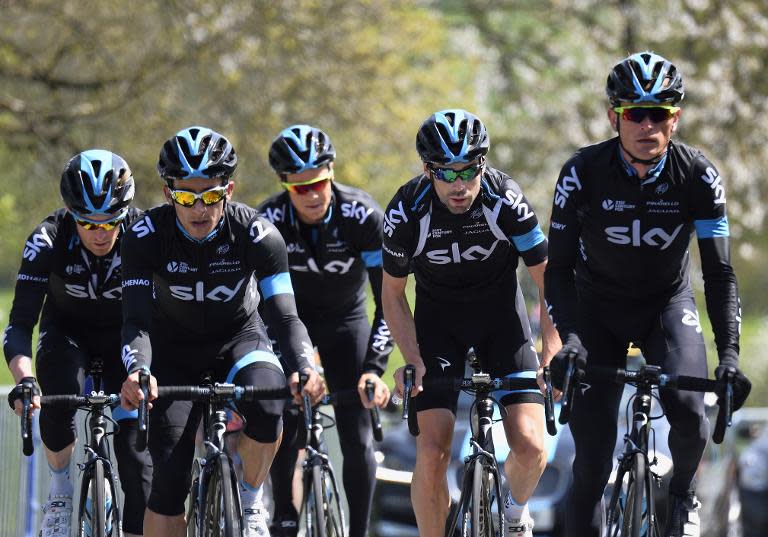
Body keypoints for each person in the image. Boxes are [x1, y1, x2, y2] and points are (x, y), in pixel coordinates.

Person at [544, 51, 751, 537]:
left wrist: (731, 356)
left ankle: (682, 494)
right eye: (634, 113)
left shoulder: (699, 175)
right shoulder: (582, 172)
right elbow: (559, 270)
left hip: (665, 305)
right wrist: (570, 338)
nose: (646, 125)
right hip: (596, 309)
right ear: (613, 116)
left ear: (674, 119)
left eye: (658, 113)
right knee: (590, 463)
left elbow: (720, 273)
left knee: (690, 416)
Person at [118, 126, 324, 537]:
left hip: (240, 339)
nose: (200, 208)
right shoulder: (144, 237)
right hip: (173, 351)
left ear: (228, 190)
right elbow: (136, 321)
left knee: (270, 407)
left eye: (211, 195)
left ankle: (250, 501)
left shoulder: (258, 234)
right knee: (168, 482)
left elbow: (284, 317)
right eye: (186, 196)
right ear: (166, 193)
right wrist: (139, 370)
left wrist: (304, 367)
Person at [383, 109, 560, 537]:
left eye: (468, 170)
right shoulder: (407, 210)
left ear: (482, 164)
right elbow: (392, 295)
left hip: (502, 320)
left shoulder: (505, 198)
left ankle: (515, 517)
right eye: (446, 173)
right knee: (432, 448)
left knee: (531, 444)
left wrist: (552, 351)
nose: (459, 185)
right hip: (437, 325)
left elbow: (547, 278)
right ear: (428, 170)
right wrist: (412, 359)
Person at [3, 150, 151, 537]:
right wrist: (24, 380)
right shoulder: (47, 239)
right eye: (88, 223)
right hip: (67, 334)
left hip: (126, 340)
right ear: (70, 213)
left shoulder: (143, 234)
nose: (100, 233)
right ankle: (60, 493)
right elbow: (19, 325)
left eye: (110, 222)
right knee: (57, 389)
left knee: (138, 465)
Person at [259, 124, 394, 537]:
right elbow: (259, 305)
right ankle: (284, 516)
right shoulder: (269, 220)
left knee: (356, 431)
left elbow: (389, 301)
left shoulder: (362, 215)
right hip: (288, 322)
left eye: (319, 182)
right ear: (285, 186)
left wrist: (375, 366)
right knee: (284, 416)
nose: (313, 194)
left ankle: (357, 531)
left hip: (345, 322)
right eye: (301, 188)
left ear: (331, 171)